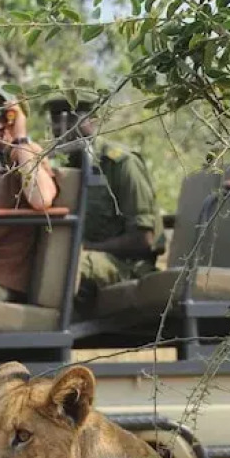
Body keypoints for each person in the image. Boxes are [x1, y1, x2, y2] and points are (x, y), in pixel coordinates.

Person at [45, 92, 164, 311]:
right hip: (84, 258)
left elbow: (144, 239)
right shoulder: (60, 170)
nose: (63, 129)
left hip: (126, 265)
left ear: (92, 120)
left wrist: (86, 248)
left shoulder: (120, 164)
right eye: (56, 120)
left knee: (65, 266)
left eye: (72, 119)